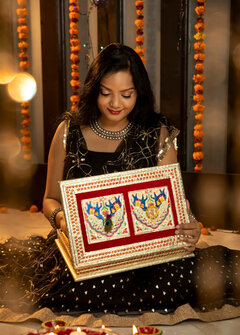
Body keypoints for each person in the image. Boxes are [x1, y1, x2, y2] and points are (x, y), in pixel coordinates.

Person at [0, 43, 239, 315]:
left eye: (126, 94)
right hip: (84, 251)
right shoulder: (69, 131)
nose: (115, 104)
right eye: (106, 93)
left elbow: (174, 202)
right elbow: (49, 199)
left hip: (142, 255)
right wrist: (63, 220)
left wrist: (189, 225)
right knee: (63, 285)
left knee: (186, 281)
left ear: (139, 92)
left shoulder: (156, 134)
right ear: (93, 90)